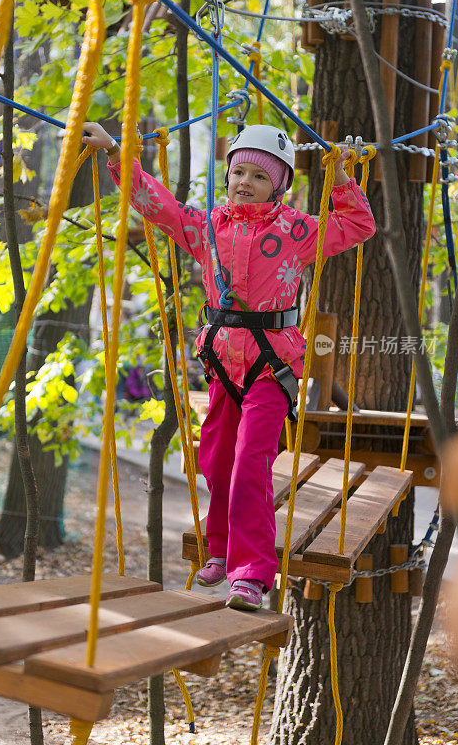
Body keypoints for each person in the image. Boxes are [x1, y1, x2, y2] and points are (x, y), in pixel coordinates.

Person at [82, 121, 376, 611]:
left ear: (280, 184)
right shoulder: (208, 228)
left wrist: (342, 177)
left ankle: (252, 574)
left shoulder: (297, 232)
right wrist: (117, 152)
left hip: (270, 370)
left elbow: (358, 226)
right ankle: (219, 549)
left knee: (248, 465)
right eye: (238, 171)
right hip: (223, 368)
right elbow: (157, 204)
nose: (245, 182)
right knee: (216, 461)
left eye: (259, 176)